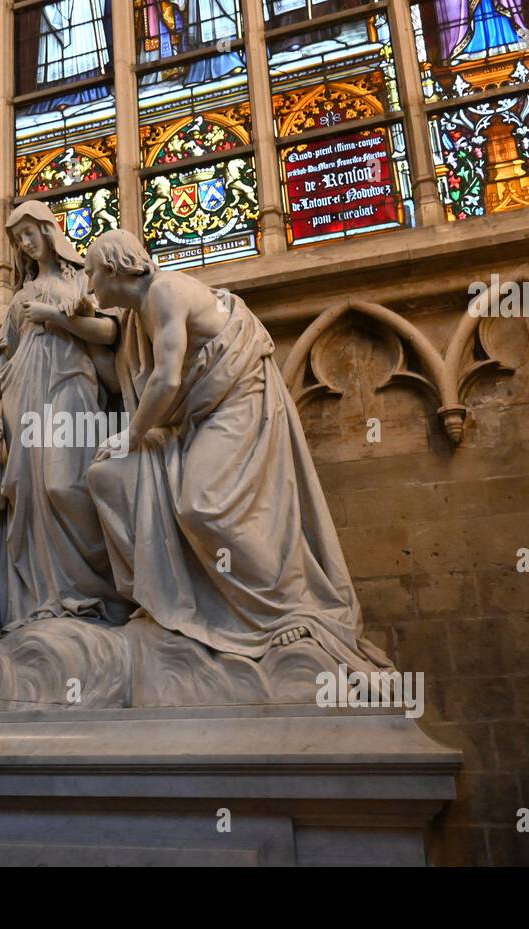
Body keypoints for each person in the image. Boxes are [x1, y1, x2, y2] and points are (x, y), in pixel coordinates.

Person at [83, 230, 385, 670]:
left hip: (238, 399)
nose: (90, 287)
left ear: (112, 269)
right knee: (110, 476)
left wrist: (130, 436)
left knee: (203, 503)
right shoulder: (138, 315)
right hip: (200, 413)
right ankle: (176, 604)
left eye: (91, 274)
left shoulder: (164, 292)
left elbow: (166, 381)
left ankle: (288, 606)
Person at [0, 201, 131, 632]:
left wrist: (56, 319)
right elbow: (2, 359)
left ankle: (98, 593)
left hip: (70, 383)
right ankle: (47, 599)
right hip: (22, 393)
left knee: (64, 484)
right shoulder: (20, 298)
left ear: (49, 230)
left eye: (29, 232)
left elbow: (110, 332)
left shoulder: (85, 279)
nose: (25, 244)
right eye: (17, 240)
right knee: (28, 492)